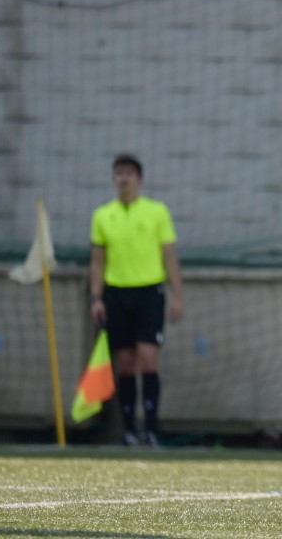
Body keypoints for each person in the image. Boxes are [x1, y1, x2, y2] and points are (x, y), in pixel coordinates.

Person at [89, 154, 185, 447]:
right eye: (119, 173)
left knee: (148, 358)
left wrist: (178, 295)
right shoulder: (103, 216)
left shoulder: (157, 212)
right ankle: (129, 430)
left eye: (129, 173)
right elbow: (97, 261)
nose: (124, 178)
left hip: (150, 293)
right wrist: (97, 297)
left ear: (139, 179)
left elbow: (169, 256)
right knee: (126, 363)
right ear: (113, 179)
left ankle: (152, 428)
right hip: (117, 294)